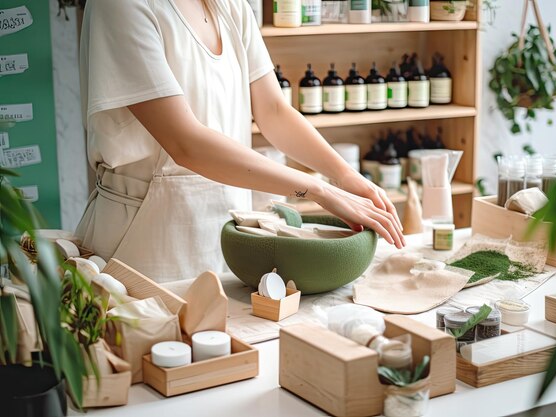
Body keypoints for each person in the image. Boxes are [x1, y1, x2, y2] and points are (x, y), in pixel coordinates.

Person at [76, 0, 405, 283]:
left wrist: (345, 176)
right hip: (145, 237)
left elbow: (274, 111)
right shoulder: (121, 6)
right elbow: (185, 142)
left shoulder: (230, 7)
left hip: (229, 235)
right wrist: (318, 189)